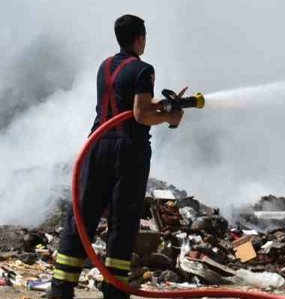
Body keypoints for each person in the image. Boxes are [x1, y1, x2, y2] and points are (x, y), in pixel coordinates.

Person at [49, 15, 184, 299]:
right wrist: (170, 116)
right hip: (128, 151)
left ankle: (61, 289)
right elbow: (140, 114)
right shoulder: (144, 70)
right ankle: (114, 290)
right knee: (123, 219)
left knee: (82, 215)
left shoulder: (105, 66)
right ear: (139, 38)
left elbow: (126, 101)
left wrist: (164, 103)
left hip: (97, 145)